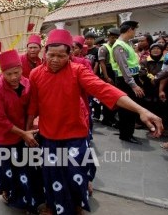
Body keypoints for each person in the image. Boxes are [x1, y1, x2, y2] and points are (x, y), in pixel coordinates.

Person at [26, 28, 163, 215]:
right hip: (49, 134)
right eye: (51, 55)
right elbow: (33, 105)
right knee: (52, 175)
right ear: (45, 53)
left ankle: (76, 205)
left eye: (61, 55)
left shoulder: (78, 71)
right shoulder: (35, 74)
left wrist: (141, 110)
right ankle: (53, 205)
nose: (55, 60)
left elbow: (104, 89)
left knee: (75, 176)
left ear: (70, 55)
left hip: (75, 132)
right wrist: (27, 130)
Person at [0, 49, 45, 213]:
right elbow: (0, 120)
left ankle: (28, 200)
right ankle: (8, 195)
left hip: (21, 133)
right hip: (1, 137)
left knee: (25, 168)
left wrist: (27, 130)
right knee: (6, 170)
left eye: (16, 72)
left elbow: (31, 109)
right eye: (8, 74)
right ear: (2, 72)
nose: (13, 77)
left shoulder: (27, 84)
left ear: (21, 68)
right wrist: (23, 133)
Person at [111, 21, 148, 144]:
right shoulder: (119, 46)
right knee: (128, 109)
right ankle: (126, 135)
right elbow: (124, 68)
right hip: (126, 81)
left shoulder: (127, 44)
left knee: (130, 108)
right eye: (134, 30)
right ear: (129, 30)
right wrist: (133, 85)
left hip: (130, 79)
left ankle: (126, 132)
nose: (135, 33)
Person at [98, 28, 120, 127]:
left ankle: (111, 117)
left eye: (116, 37)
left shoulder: (117, 46)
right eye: (112, 37)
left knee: (115, 97)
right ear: (108, 37)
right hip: (108, 73)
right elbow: (102, 63)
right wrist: (106, 77)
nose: (114, 39)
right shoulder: (103, 48)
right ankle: (107, 119)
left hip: (116, 72)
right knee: (108, 97)